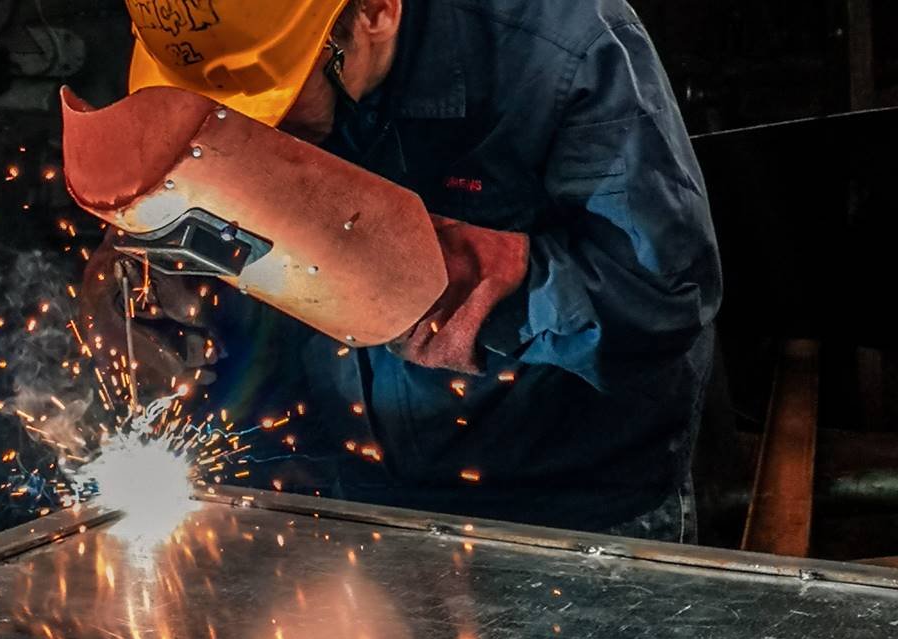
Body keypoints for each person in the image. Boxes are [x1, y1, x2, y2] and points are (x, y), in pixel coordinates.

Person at [81, 0, 721, 542]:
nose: (250, 131)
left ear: (375, 12)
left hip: (570, 509)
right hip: (352, 492)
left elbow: (665, 298)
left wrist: (435, 282)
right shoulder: (228, 39)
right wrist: (165, 273)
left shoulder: (563, 46)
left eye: (272, 98)